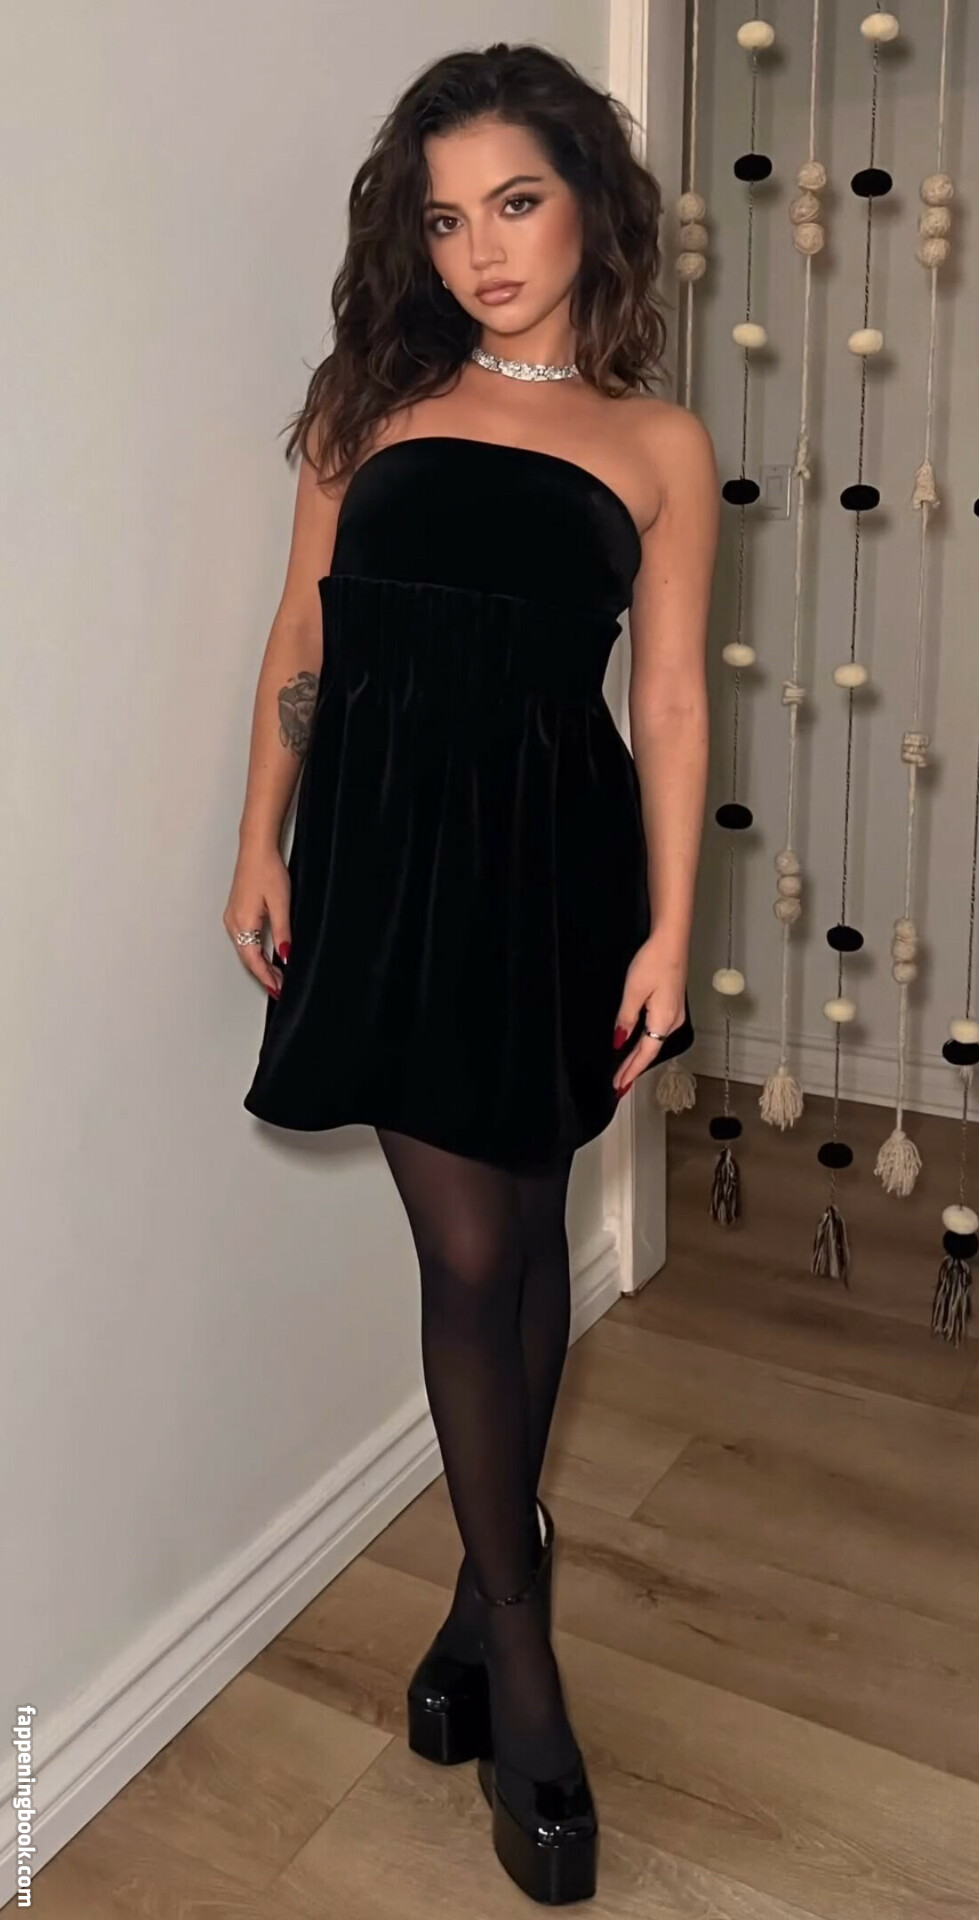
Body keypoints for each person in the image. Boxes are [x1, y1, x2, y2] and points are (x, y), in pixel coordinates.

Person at [225, 41, 715, 1906]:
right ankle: (523, 1658)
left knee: (526, 1223)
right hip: (384, 869)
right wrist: (261, 837)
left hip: (559, 875)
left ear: (591, 204)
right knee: (473, 1254)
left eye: (515, 202)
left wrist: (670, 928)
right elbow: (302, 635)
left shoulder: (657, 445)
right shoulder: (368, 404)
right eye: (443, 220)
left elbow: (668, 701)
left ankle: (474, 1587)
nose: (482, 251)